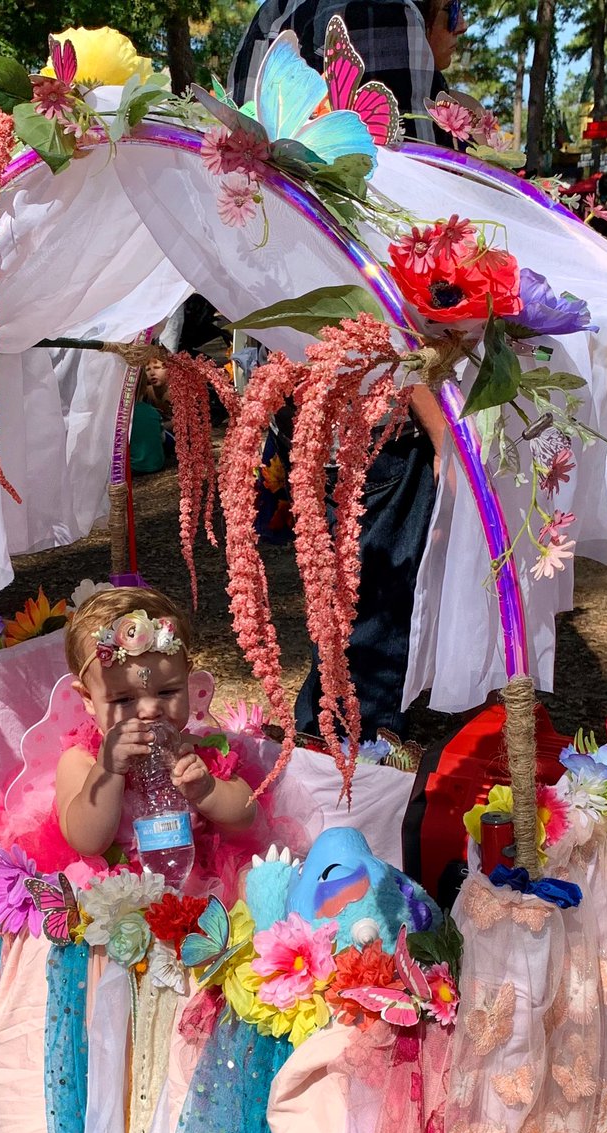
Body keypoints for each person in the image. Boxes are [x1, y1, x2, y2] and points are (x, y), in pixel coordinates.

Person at [229, 4, 457, 739]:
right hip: (375, 377)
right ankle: (344, 787)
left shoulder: (275, 13)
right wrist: (435, 410)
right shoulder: (377, 10)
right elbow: (380, 225)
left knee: (346, 596)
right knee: (372, 615)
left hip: (304, 362)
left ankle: (338, 766)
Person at [55, 587, 256, 859]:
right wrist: (108, 770)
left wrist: (208, 790)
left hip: (193, 877)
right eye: (124, 699)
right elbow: (87, 841)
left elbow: (247, 815)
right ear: (88, 698)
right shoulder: (82, 762)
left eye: (167, 692)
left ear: (186, 679)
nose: (150, 710)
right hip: (117, 891)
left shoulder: (193, 751)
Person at [228, 0, 468, 144]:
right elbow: (415, 177)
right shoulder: (386, 8)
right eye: (453, 7)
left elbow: (239, 151)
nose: (462, 25)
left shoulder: (273, 11)